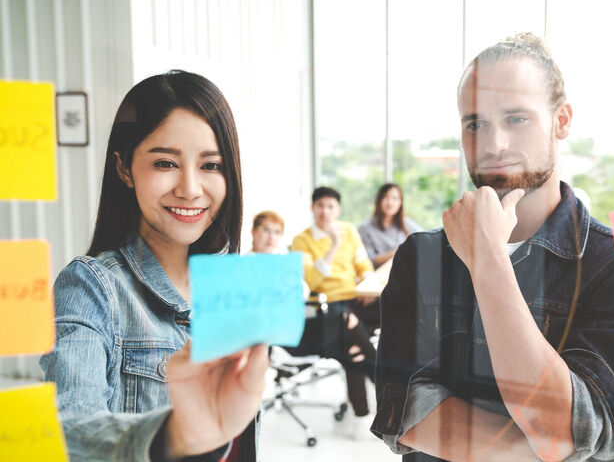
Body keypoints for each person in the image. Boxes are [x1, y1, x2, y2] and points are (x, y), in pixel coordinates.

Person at [371, 34, 614, 462]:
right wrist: (569, 448)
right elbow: (406, 414)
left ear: (561, 121)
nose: (494, 145)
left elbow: (562, 426)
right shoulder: (421, 256)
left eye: (516, 119)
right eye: (475, 124)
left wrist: (488, 257)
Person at [40, 70, 268, 461]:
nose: (191, 189)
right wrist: (173, 437)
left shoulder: (230, 288)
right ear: (125, 168)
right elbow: (67, 431)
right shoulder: (90, 286)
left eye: (211, 166)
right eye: (165, 163)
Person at [291, 186, 377, 427]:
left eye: (330, 206)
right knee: (350, 340)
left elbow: (364, 265)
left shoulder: (349, 230)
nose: (325, 211)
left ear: (338, 209)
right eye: (320, 205)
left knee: (398, 308)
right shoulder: (302, 240)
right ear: (312, 208)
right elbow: (311, 280)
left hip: (357, 297)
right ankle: (388, 383)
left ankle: (362, 413)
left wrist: (368, 286)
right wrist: (333, 247)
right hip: (328, 305)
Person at [359, 183, 422, 268]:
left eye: (395, 198)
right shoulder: (365, 228)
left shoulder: (406, 223)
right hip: (379, 275)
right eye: (385, 197)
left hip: (406, 272)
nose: (390, 202)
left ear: (400, 202)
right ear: (379, 200)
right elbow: (370, 259)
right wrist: (401, 250)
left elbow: (423, 241)